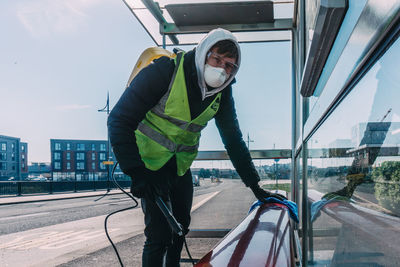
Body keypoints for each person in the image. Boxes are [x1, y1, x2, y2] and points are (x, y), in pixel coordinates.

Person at [107, 28, 286, 267]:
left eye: (230, 66)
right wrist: (136, 172)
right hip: (148, 165)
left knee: (180, 228)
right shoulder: (164, 71)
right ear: (203, 53)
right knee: (158, 235)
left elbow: (233, 140)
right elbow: (119, 119)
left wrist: (256, 187)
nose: (223, 69)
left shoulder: (222, 92)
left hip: (180, 167)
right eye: (217, 59)